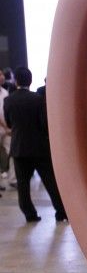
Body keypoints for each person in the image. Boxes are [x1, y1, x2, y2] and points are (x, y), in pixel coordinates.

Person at [2, 66, 68, 223]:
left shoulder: (8, 100)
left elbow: (9, 122)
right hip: (39, 148)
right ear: (30, 81)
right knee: (51, 183)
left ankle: (30, 214)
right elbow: (45, 123)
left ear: (16, 80)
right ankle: (61, 213)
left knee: (23, 186)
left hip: (19, 148)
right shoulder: (38, 99)